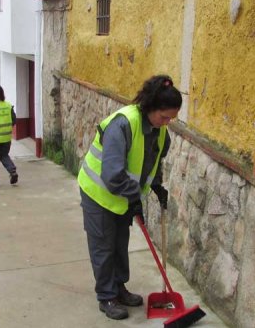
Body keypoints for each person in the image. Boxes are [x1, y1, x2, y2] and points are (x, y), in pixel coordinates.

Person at [77, 75, 180, 320]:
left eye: (171, 118)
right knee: (103, 245)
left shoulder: (160, 131)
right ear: (150, 108)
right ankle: (106, 296)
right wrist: (135, 197)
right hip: (98, 192)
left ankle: (119, 288)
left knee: (120, 243)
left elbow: (152, 162)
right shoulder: (123, 125)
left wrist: (156, 186)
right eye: (164, 116)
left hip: (123, 197)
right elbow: (112, 174)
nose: (167, 123)